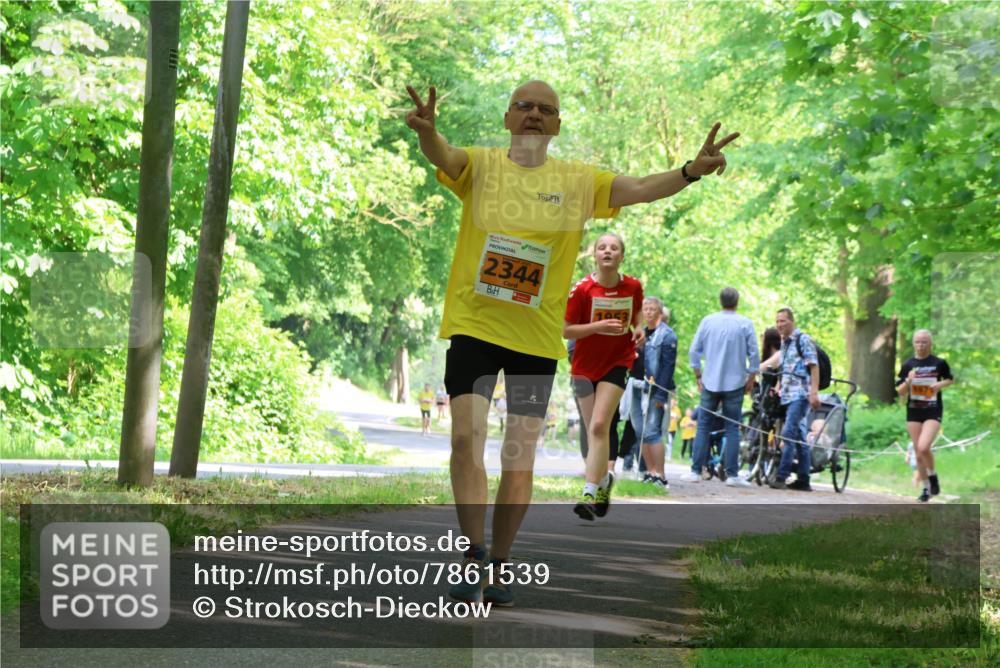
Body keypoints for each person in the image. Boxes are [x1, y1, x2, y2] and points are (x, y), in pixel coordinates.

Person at [406, 79, 739, 606]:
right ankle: (471, 555)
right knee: (465, 442)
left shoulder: (579, 181)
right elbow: (442, 153)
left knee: (519, 457)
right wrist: (428, 131)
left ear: (558, 124)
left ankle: (499, 565)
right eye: (525, 106)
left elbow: (642, 187)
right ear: (508, 117)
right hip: (473, 326)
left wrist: (690, 171)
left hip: (535, 341)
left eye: (546, 109)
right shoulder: (481, 165)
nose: (535, 114)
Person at [563, 232, 644, 520]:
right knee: (592, 429)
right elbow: (566, 329)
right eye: (602, 247)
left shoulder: (633, 286)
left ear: (621, 256)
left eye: (614, 248)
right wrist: (596, 328)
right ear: (595, 254)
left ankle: (589, 490)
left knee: (599, 425)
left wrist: (639, 329)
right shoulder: (582, 290)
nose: (607, 251)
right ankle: (605, 481)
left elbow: (637, 317)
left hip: (618, 362)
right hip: (585, 365)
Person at [682, 287, 759, 487]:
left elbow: (694, 351)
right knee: (732, 427)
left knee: (703, 426)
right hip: (735, 383)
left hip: (710, 381)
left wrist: (698, 375)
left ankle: (696, 471)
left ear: (720, 301)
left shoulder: (708, 321)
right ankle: (732, 475)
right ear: (737, 301)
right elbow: (754, 355)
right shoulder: (745, 323)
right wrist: (751, 378)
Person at [896, 329, 954, 502]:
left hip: (933, 409)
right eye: (918, 342)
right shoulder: (908, 365)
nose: (921, 345)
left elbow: (950, 379)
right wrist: (909, 380)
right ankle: (926, 489)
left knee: (923, 447)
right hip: (914, 411)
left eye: (924, 342)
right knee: (918, 453)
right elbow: (900, 392)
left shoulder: (939, 362)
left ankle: (933, 475)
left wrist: (939, 385)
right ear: (913, 343)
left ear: (930, 344)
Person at [768, 307, 821, 492]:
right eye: (777, 321)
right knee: (799, 437)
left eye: (782, 321)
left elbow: (814, 367)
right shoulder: (785, 343)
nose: (779, 325)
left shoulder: (803, 340)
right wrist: (777, 386)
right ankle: (804, 480)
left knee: (788, 433)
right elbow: (785, 368)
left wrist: (813, 393)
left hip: (800, 395)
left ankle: (781, 476)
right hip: (787, 395)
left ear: (791, 321)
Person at [636, 296, 678, 489]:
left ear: (660, 313)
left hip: (658, 390)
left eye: (652, 309)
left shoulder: (668, 336)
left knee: (653, 431)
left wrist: (661, 395)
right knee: (642, 432)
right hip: (640, 388)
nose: (648, 312)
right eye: (645, 309)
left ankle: (660, 475)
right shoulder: (642, 334)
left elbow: (667, 368)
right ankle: (649, 472)